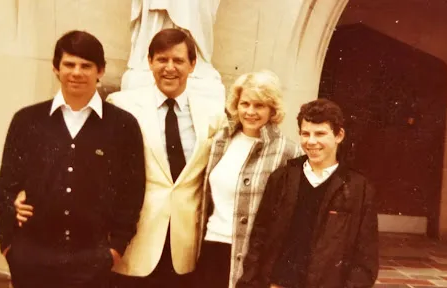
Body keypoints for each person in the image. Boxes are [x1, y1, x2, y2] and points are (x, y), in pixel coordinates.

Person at [0, 30, 146, 288]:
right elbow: (6, 185)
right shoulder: (27, 120)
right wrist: (9, 244)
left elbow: (132, 193)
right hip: (31, 258)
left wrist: (115, 250)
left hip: (92, 262)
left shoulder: (123, 126)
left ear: (100, 70)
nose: (77, 72)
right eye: (69, 64)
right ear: (56, 68)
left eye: (86, 65)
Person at [107, 28, 226, 287]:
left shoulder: (214, 114)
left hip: (184, 247)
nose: (169, 68)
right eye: (162, 59)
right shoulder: (122, 105)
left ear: (192, 65)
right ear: (150, 62)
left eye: (178, 60)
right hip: (134, 243)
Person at [237, 99, 379, 288]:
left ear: (339, 135)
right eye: (305, 134)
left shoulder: (358, 189)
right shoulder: (283, 178)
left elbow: (365, 257)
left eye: (320, 133)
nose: (311, 141)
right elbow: (259, 238)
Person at [195, 70, 302, 288]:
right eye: (245, 104)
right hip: (211, 246)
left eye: (259, 105)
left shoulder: (289, 151)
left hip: (252, 258)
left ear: (272, 109)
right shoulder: (222, 140)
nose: (250, 112)